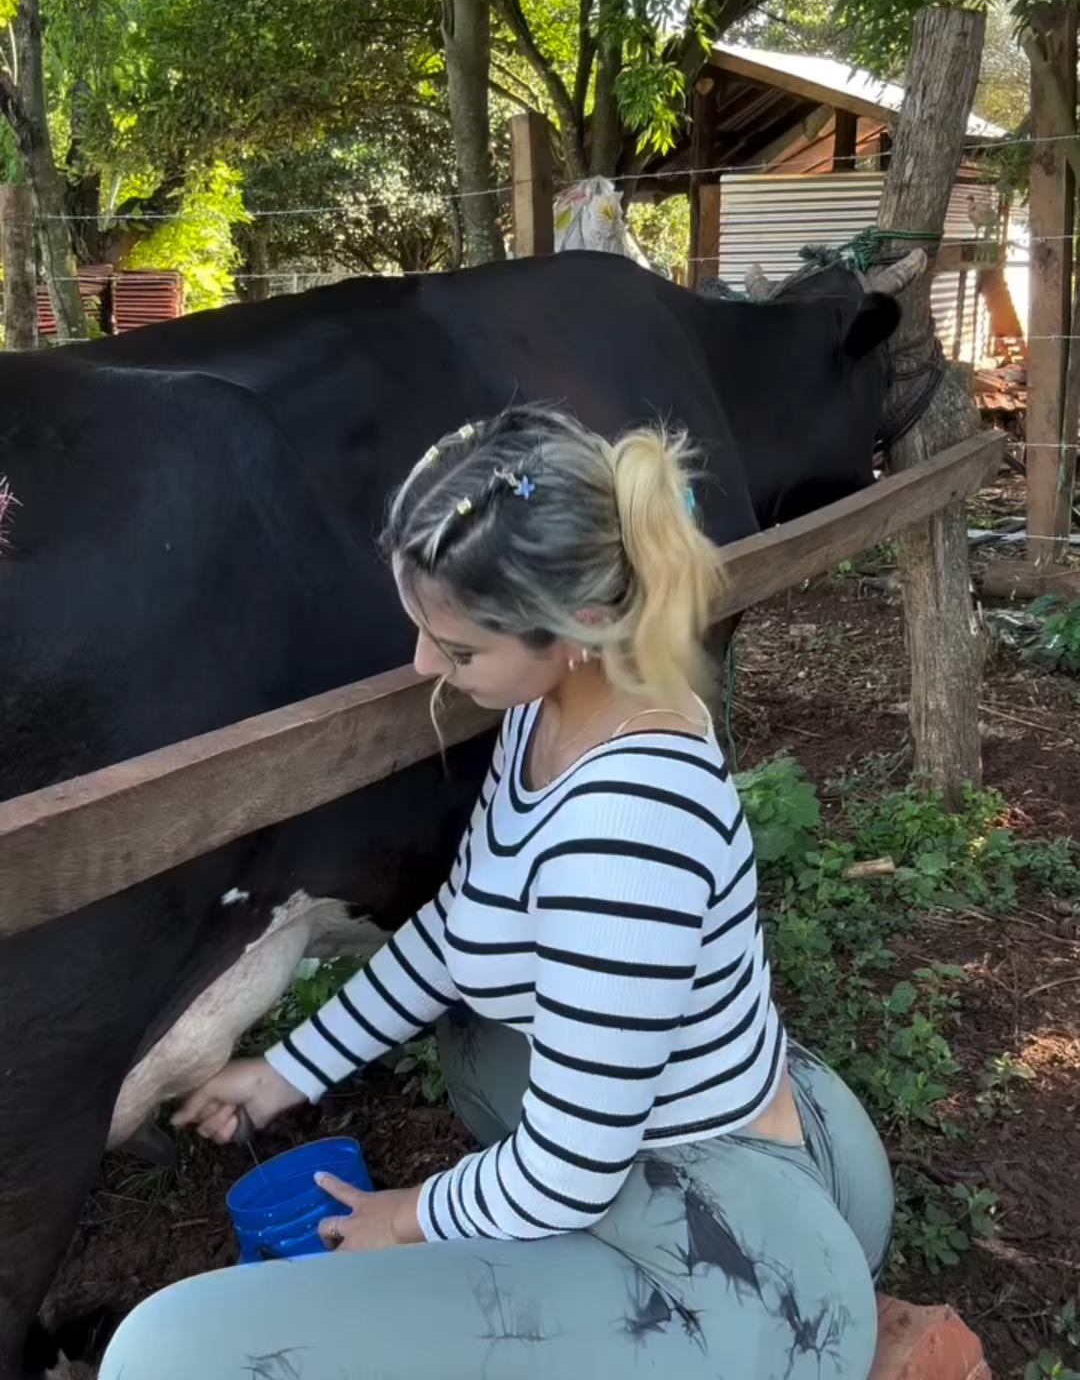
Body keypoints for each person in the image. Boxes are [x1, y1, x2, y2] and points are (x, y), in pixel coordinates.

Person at [99, 405, 893, 1380]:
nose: (424, 667)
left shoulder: (625, 830)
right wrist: (286, 1071)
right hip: (686, 1145)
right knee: (474, 1035)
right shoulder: (556, 705)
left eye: (459, 649)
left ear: (580, 626)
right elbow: (459, 930)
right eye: (423, 631)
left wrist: (404, 1216)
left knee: (159, 1354)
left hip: (746, 1262)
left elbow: (567, 1172)